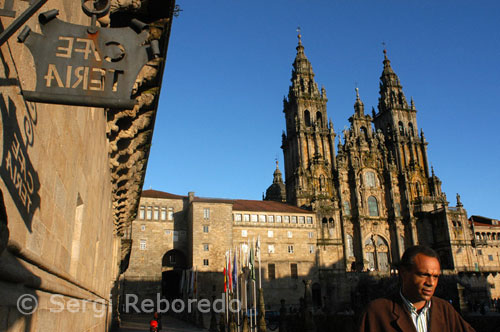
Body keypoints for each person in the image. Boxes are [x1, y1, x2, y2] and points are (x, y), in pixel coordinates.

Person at [357, 245, 476, 332]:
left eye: (435, 276)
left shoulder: (445, 310)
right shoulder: (377, 312)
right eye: (424, 275)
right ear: (403, 273)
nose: (431, 283)